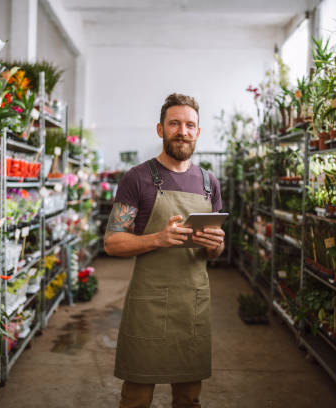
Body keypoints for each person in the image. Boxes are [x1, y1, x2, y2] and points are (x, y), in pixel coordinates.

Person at [104, 93, 224, 408]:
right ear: (161, 129)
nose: (182, 131)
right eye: (174, 123)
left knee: (188, 398)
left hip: (192, 305)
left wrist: (216, 245)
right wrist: (157, 239)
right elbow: (113, 241)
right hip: (148, 305)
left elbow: (215, 251)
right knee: (136, 398)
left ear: (198, 132)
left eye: (189, 125)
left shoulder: (209, 183)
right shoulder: (138, 178)